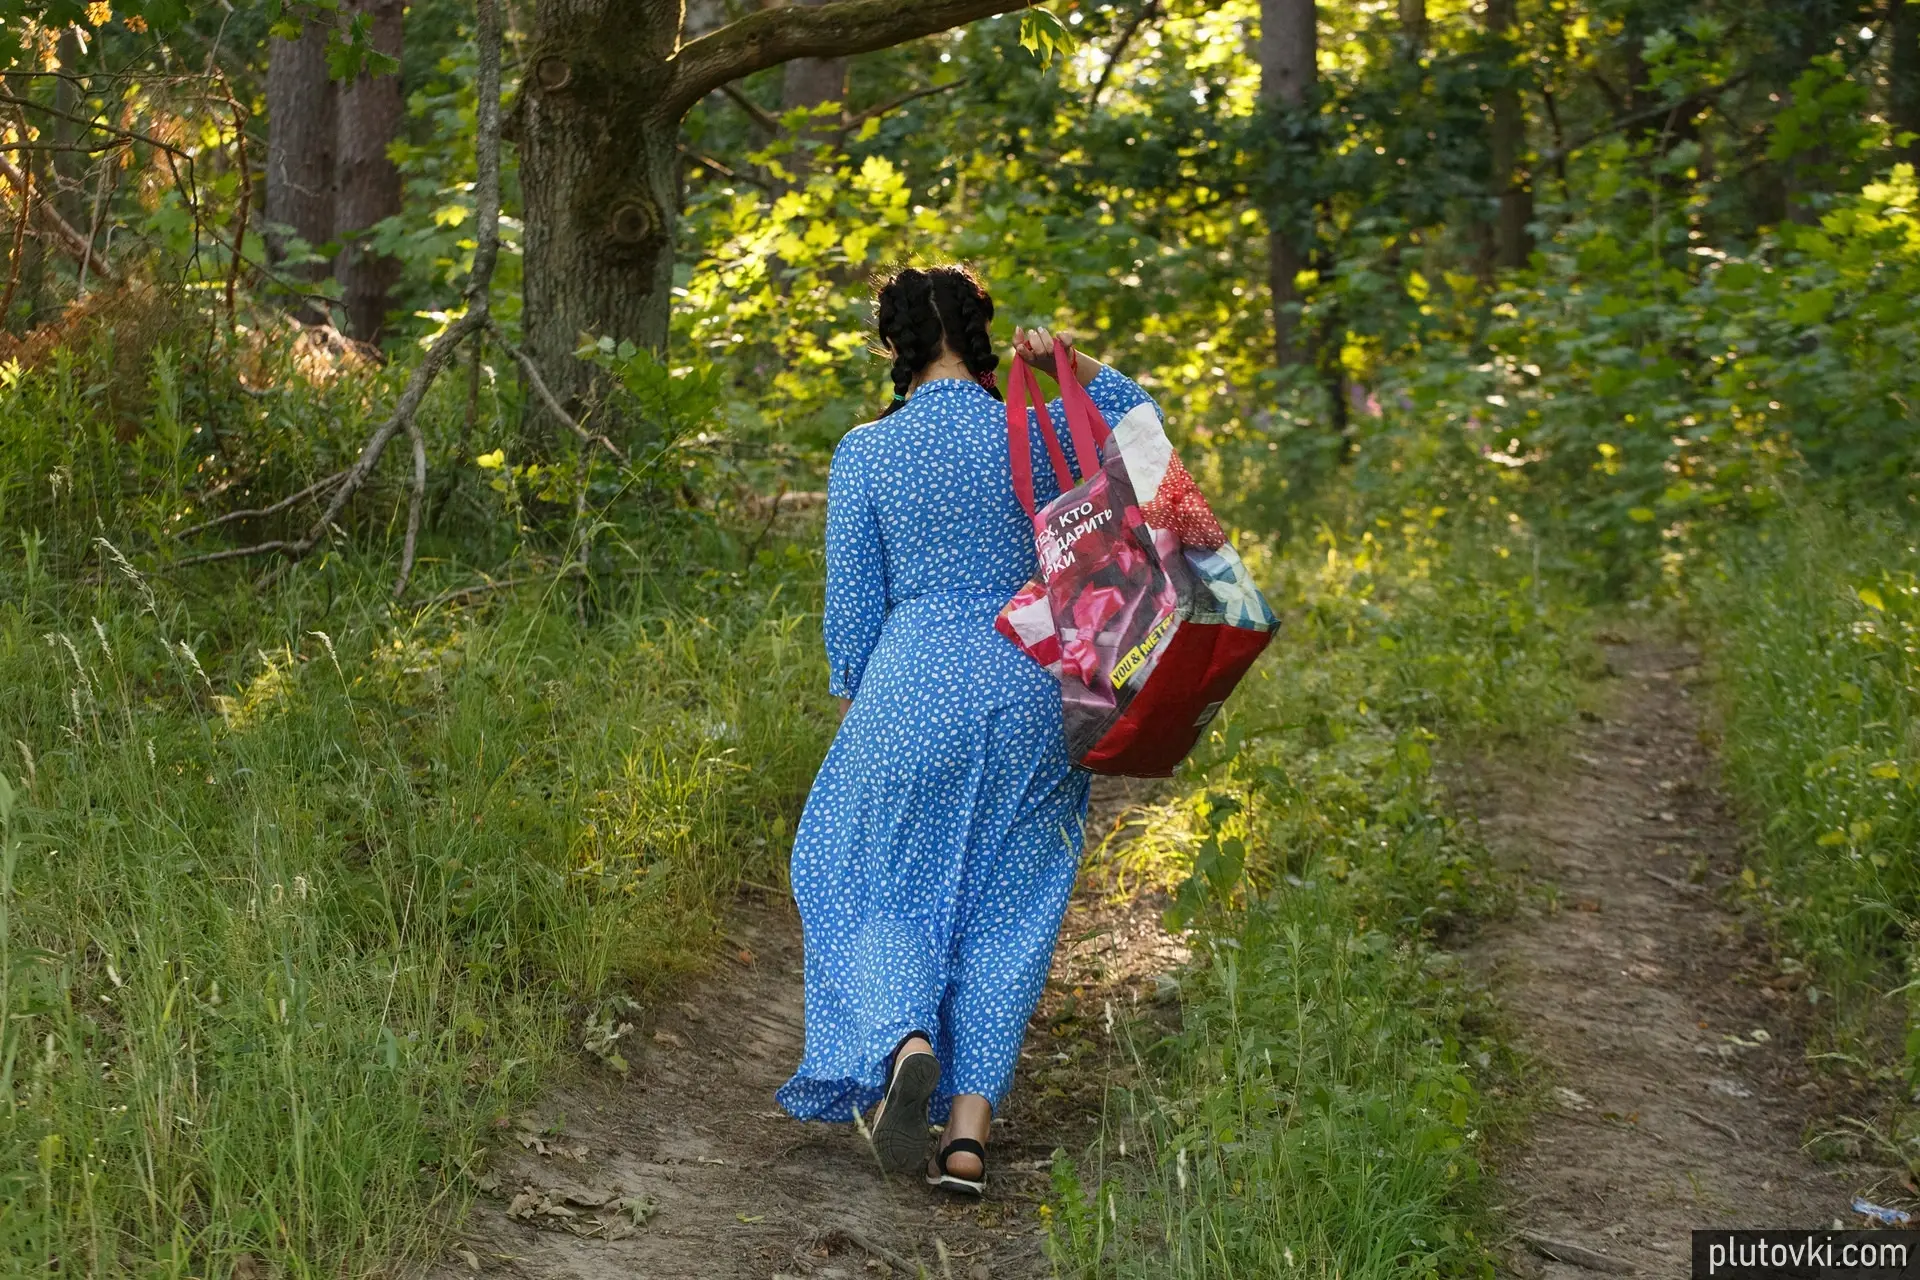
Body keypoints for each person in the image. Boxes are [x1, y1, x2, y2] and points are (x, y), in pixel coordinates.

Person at [774, 264, 1158, 1195]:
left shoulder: (868, 452)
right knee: (1011, 906)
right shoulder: (1043, 425)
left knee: (852, 860)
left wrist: (854, 702)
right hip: (1037, 683)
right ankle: (967, 1141)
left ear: (892, 343)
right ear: (981, 330)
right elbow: (1146, 445)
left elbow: (853, 616)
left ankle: (903, 1035)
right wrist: (1072, 363)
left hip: (912, 684)